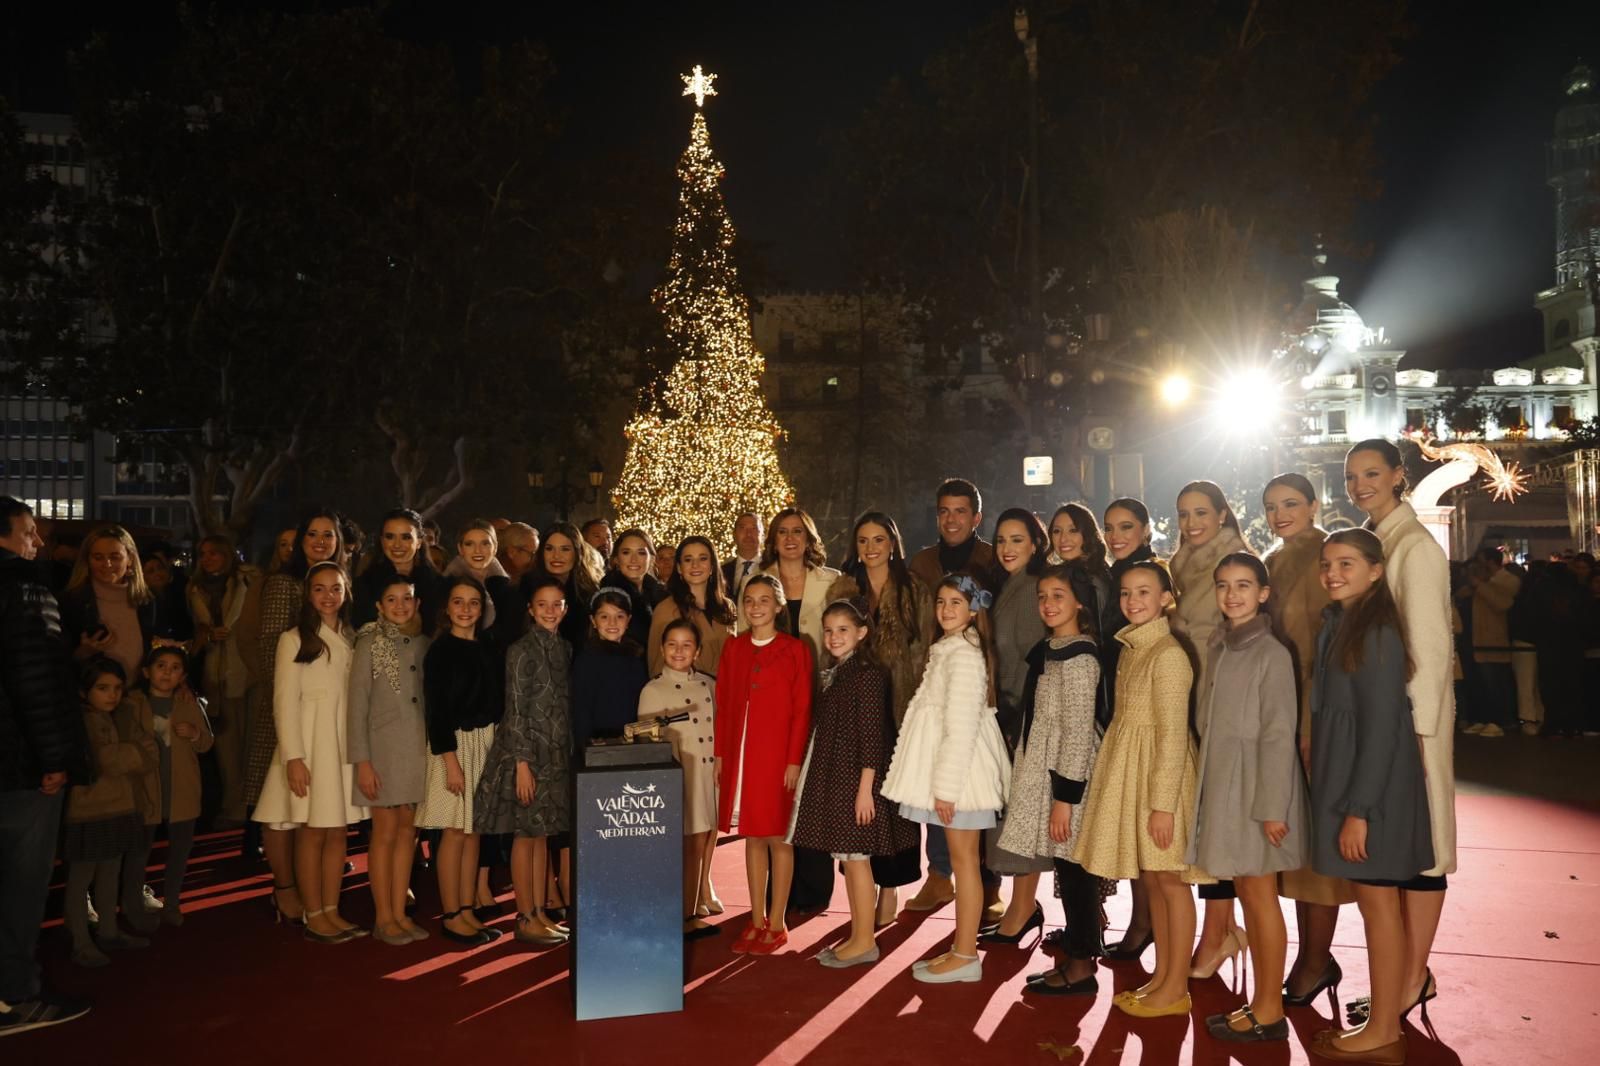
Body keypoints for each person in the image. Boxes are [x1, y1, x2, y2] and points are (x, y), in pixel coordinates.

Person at [1308, 529, 1434, 1064]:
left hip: (1372, 788)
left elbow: (1383, 728)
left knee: (1379, 904)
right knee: (1374, 903)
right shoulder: (1340, 623)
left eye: (1347, 563)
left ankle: (1384, 1026)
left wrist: (1359, 811)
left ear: (1376, 570)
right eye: (1327, 563)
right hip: (1352, 776)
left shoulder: (1376, 631)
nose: (1333, 572)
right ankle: (1384, 1019)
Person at [1343, 439, 1455, 1030]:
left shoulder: (1414, 547)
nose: (1360, 484)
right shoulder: (1376, 542)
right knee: (1402, 853)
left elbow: (1431, 651)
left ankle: (1413, 978)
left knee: (1423, 854)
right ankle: (1407, 976)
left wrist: (1418, 729)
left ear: (1397, 476)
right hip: (1384, 724)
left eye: (1371, 474)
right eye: (1351, 476)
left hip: (1412, 727)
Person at [1189, 554, 1308, 1043]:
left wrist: (1271, 807)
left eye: (1243, 585)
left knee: (1260, 899)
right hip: (1227, 785)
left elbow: (1279, 735)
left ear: (1263, 593)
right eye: (1223, 586)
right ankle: (1261, 1003)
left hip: (1257, 791)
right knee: (1248, 892)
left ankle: (1269, 1009)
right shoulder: (1221, 644)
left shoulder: (1271, 653)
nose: (1232, 594)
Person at [1073, 560, 1198, 1018]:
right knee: (1154, 878)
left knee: (1171, 880)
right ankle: (1164, 976)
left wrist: (1163, 805)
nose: (1133, 602)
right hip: (1135, 771)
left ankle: (1176, 985)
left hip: (1158, 778)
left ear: (1167, 597)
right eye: (1126, 593)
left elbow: (1170, 734)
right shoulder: (1133, 648)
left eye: (1144, 592)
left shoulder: (1168, 654)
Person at [881, 575, 1010, 983]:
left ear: (973, 610)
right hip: (956, 768)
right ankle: (961, 949)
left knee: (965, 863)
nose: (946, 609)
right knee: (963, 861)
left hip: (963, 774)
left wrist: (947, 789)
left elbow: (961, 726)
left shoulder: (964, 655)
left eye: (957, 602)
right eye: (941, 601)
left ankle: (966, 954)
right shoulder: (951, 648)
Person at [1259, 473, 1354, 1011]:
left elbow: (1335, 651)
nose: (1279, 514)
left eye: (1290, 504)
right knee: (1288, 846)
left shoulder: (1327, 558)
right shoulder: (1272, 561)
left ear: (1315, 505)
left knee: (1316, 847)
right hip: (1277, 717)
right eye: (1271, 506)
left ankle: (1317, 959)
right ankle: (1310, 955)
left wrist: (1314, 727)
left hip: (1315, 718)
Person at [0, 497, 91, 1033]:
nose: (37, 543)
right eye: (29, 533)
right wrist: (55, 759)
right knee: (20, 888)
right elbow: (37, 683)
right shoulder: (26, 590)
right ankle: (13, 995)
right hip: (20, 767)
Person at [991, 565, 1104, 996]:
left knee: (1075, 872)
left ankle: (1081, 966)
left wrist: (1065, 798)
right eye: (1042, 596)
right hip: (1048, 770)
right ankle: (1076, 954)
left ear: (1079, 602)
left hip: (1066, 781)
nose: (1049, 604)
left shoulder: (1079, 656)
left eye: (1059, 595)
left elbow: (1077, 731)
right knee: (1066, 867)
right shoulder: (1054, 647)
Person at [790, 598, 918, 966]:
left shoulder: (867, 675)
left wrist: (865, 791)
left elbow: (872, 737)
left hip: (856, 783)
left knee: (857, 860)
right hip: (840, 779)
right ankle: (858, 935)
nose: (833, 637)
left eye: (843, 629)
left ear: (862, 633)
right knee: (849, 859)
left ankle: (864, 941)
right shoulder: (844, 671)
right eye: (828, 630)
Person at [238, 508, 344, 924]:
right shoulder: (286, 583)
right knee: (281, 806)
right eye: (312, 534)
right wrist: (289, 707)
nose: (320, 541)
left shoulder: (336, 589)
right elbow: (271, 648)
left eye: (328, 535)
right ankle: (285, 888)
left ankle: (313, 891)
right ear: (300, 540)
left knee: (307, 810)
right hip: (287, 703)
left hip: (320, 714)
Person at [252, 561, 365, 944]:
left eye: (336, 588)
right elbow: (283, 703)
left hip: (340, 744)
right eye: (319, 588)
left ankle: (332, 910)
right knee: (312, 831)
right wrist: (293, 758)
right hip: (311, 745)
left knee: (337, 832)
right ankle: (313, 913)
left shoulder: (351, 637)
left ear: (346, 592)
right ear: (307, 593)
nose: (328, 596)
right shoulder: (294, 638)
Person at [745, 507, 848, 915]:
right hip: (771, 704)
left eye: (797, 532)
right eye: (782, 532)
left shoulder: (832, 580)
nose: (790, 539)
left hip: (821, 693)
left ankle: (812, 885)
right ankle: (775, 891)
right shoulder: (757, 581)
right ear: (773, 538)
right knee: (775, 793)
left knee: (812, 789)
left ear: (809, 538)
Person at [1168, 480, 1250, 979]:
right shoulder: (1183, 563)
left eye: (1201, 512)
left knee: (1217, 820)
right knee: (1201, 820)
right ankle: (1222, 928)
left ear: (1223, 514)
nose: (1191, 522)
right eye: (1183, 513)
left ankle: (1217, 931)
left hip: (1217, 702)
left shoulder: (1232, 561)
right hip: (1189, 697)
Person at [834, 511, 932, 921]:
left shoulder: (914, 590)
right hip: (855, 709)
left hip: (901, 711)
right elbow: (833, 646)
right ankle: (861, 886)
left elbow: (927, 649)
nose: (870, 548)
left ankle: (889, 889)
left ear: (892, 543)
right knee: (857, 803)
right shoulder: (844, 590)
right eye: (863, 540)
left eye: (878, 540)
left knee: (893, 806)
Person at [716, 575, 813, 956]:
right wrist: (722, 757)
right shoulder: (734, 648)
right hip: (742, 753)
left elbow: (802, 711)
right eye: (749, 600)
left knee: (778, 837)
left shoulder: (794, 650)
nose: (756, 606)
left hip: (777, 758)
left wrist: (793, 760)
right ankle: (756, 919)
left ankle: (779, 919)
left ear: (778, 606)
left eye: (764, 600)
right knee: (753, 836)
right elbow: (724, 704)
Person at [474, 575, 573, 947]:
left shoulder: (563, 648)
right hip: (526, 755)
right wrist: (521, 764)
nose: (550, 611)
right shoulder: (520, 650)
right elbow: (515, 710)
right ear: (530, 610)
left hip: (555, 757)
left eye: (557, 604)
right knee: (525, 836)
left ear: (565, 609)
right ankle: (524, 914)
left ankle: (540, 912)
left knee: (541, 837)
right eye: (542, 605)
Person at [417, 577, 504, 947]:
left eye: (473, 603)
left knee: (474, 832)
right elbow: (437, 713)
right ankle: (451, 914)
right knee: (453, 832)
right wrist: (451, 762)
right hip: (453, 747)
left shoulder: (488, 647)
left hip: (485, 743)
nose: (466, 609)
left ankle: (467, 909)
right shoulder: (440, 651)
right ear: (446, 608)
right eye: (458, 602)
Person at [346, 579, 431, 947]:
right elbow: (356, 706)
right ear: (379, 605)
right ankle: (384, 918)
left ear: (417, 602)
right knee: (384, 833)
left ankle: (399, 913)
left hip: (416, 751)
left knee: (407, 835)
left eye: (407, 598)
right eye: (392, 599)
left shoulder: (424, 643)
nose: (400, 605)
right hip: (382, 752)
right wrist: (361, 761)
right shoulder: (369, 643)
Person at [61, 659, 156, 967]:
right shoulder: (83, 720)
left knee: (110, 871)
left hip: (119, 806)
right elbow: (110, 759)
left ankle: (109, 931)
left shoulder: (119, 714)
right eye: (103, 688)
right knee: (81, 878)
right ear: (83, 690)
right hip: (90, 810)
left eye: (116, 688)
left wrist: (137, 752)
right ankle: (79, 940)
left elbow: (144, 752)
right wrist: (138, 752)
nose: (112, 695)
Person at [1098, 496, 1158, 958]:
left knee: (1145, 832)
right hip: (1116, 705)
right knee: (1129, 829)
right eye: (1109, 527)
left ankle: (1145, 923)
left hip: (1145, 717)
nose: (1116, 535)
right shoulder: (1112, 576)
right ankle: (1141, 920)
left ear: (1145, 529)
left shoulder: (1147, 576)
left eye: (1126, 526)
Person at [637, 618, 720, 939]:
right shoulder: (652, 689)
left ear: (697, 651)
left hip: (708, 771)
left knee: (706, 835)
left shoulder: (708, 684)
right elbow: (647, 741)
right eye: (672, 644)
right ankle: (683, 912)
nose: (679, 651)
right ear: (661, 648)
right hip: (679, 775)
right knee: (688, 842)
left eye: (687, 645)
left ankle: (698, 898)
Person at [124, 646, 213, 928]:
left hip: (182, 791)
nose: (167, 672)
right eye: (161, 666)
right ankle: (133, 906)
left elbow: (207, 743)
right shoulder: (132, 703)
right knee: (139, 852)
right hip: (144, 792)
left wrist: (196, 733)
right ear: (147, 672)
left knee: (180, 850)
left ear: (183, 676)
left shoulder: (188, 702)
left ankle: (172, 902)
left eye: (175, 668)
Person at [186, 534, 262, 829]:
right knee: (225, 749)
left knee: (250, 744)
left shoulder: (247, 581)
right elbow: (192, 633)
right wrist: (205, 637)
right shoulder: (195, 589)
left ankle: (249, 805)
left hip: (246, 671)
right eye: (203, 553)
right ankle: (233, 805)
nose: (207, 559)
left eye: (214, 553)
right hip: (214, 676)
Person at [59, 526, 158, 679]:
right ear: (88, 560)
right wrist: (81, 653)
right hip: (87, 697)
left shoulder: (146, 601)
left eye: (115, 557)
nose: (107, 564)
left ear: (130, 559)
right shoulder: (72, 602)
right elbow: (55, 660)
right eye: (98, 557)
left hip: (137, 697)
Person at [647, 536, 736, 677]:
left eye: (703, 559)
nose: (695, 565)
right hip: (686, 695)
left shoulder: (727, 606)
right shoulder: (666, 610)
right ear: (679, 568)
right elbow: (656, 666)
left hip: (728, 692)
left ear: (712, 566)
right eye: (688, 560)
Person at [571, 588, 649, 747]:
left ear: (628, 620)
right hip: (598, 743)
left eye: (619, 616)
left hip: (631, 741)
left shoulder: (636, 658)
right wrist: (584, 744)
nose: (612, 623)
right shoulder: (586, 660)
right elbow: (580, 709)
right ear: (593, 621)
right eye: (604, 616)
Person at [354, 508, 448, 635]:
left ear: (419, 542)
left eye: (406, 537)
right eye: (390, 536)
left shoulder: (438, 585)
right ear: (382, 541)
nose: (397, 545)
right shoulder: (365, 584)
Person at [521, 522, 604, 653]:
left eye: (565, 549)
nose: (556, 556)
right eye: (549, 548)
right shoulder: (526, 587)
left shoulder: (590, 592)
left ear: (577, 553)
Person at [1464, 546, 1519, 738]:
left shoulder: (1508, 581)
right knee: (1482, 683)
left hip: (1494, 640)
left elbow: (1503, 603)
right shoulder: (1480, 584)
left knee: (1496, 683)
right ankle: (1484, 718)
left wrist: (1480, 586)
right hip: (1476, 639)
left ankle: (1501, 720)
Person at [447, 518, 525, 648]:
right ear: (460, 549)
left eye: (485, 544)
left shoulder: (510, 592)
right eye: (469, 544)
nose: (478, 550)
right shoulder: (445, 587)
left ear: (495, 548)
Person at [908, 478, 994, 592]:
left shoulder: (992, 560)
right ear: (937, 517)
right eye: (944, 511)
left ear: (976, 519)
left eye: (960, 511)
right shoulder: (921, 564)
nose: (950, 519)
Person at [599, 527, 668, 649]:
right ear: (616, 559)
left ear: (651, 558)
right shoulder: (608, 597)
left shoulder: (661, 595)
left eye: (641, 552)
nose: (634, 560)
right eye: (626, 552)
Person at [722, 511, 764, 594]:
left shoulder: (773, 568)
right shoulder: (722, 572)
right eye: (742, 528)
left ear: (762, 535)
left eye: (754, 528)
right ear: (734, 535)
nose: (748, 534)